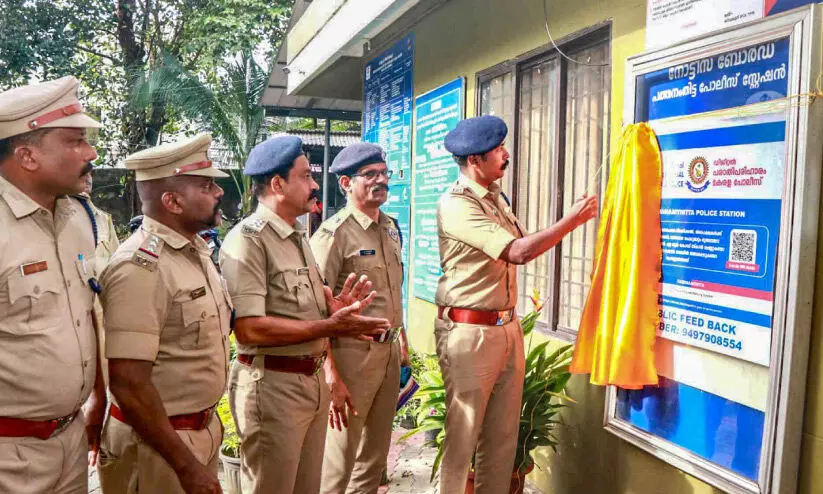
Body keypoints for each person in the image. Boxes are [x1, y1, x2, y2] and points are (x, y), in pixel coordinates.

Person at [219, 135, 392, 494]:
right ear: (278, 184)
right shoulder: (249, 240)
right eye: (306, 176)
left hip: (308, 383)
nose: (315, 185)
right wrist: (328, 326)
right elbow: (248, 330)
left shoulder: (297, 237)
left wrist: (334, 308)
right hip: (273, 386)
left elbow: (303, 306)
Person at [435, 115, 598, 493]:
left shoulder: (496, 199)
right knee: (463, 438)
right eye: (498, 150)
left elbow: (522, 244)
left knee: (502, 439)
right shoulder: (457, 205)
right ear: (474, 160)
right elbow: (518, 252)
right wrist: (571, 221)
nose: (506, 155)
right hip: (469, 333)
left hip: (505, 328)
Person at [97, 133, 231, 494]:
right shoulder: (140, 267)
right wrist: (186, 466)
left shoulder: (194, 251)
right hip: (159, 447)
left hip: (193, 435)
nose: (219, 192)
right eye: (206, 185)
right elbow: (129, 383)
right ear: (172, 201)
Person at [0, 76, 107, 493]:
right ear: (27, 156)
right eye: (75, 141)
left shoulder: (78, 219)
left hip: (70, 439)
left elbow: (84, 316)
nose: (90, 153)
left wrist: (97, 394)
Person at [310, 143, 408, 494]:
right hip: (351, 357)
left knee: (374, 458)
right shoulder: (333, 234)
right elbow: (316, 308)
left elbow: (392, 290)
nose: (381, 180)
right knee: (339, 461)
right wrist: (330, 373)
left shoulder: (390, 227)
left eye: (384, 173)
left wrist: (403, 343)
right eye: (370, 175)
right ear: (346, 183)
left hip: (388, 354)